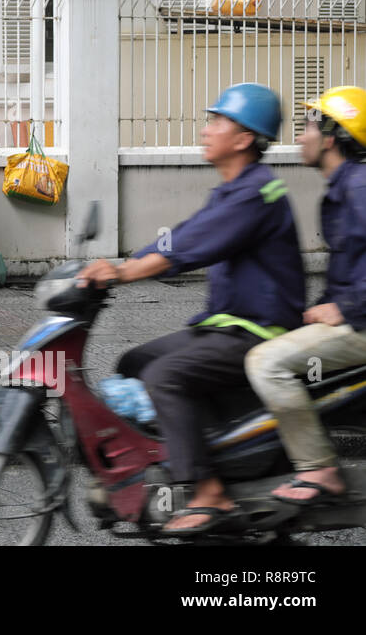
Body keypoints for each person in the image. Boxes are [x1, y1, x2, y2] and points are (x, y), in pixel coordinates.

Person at [79, 83, 305, 536]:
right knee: (134, 362)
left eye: (217, 121)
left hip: (259, 333)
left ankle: (207, 491)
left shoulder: (256, 193)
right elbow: (179, 237)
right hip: (225, 327)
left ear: (243, 138)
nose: (205, 130)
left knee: (167, 376)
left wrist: (123, 273)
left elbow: (189, 248)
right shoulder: (232, 189)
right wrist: (123, 264)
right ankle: (153, 470)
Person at [246, 86, 366, 505]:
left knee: (267, 363)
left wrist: (347, 307)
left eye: (309, 126)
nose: (300, 136)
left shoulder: (359, 187)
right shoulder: (343, 187)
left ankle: (318, 469)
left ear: (332, 136)